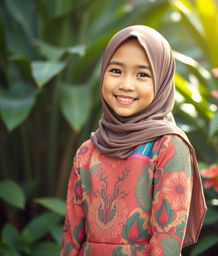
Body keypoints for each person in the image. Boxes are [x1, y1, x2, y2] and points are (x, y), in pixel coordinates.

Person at [60, 25, 207, 256]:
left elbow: (166, 242)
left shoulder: (168, 146)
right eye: (116, 71)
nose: (126, 84)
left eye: (142, 75)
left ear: (162, 81)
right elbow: (71, 236)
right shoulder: (87, 151)